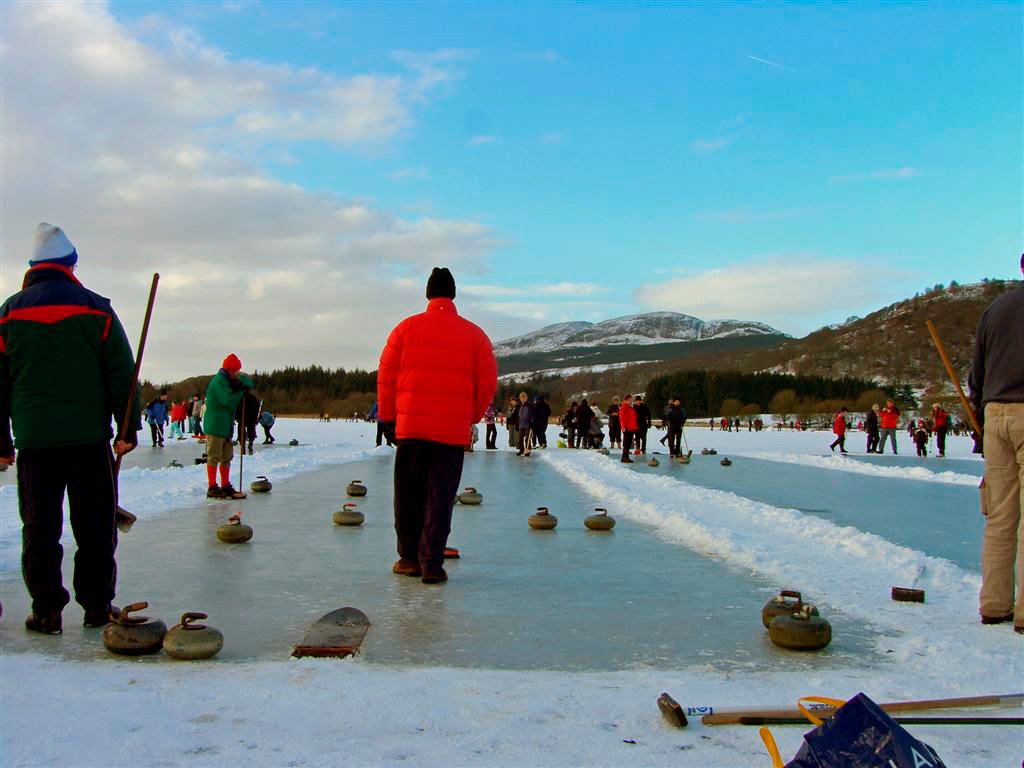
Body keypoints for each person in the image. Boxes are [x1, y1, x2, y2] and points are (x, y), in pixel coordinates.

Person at [0, 223, 140, 632]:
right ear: (71, 264)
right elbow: (121, 374)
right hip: (87, 439)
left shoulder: (9, 313)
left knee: (40, 528)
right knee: (95, 525)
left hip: (35, 442)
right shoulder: (96, 308)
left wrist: (3, 442)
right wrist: (127, 428)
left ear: (32, 267)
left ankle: (46, 610)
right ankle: (96, 606)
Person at [377, 267, 497, 584]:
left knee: (408, 496)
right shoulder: (475, 335)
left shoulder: (405, 329)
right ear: (453, 295)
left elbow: (386, 379)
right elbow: (486, 385)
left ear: (428, 294)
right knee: (439, 498)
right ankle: (432, 563)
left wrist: (389, 418)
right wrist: (468, 416)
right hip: (449, 434)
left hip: (411, 430)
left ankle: (408, 559)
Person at [968, 254, 1024, 631]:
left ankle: (994, 604)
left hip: (996, 415)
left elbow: (978, 373)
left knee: (1001, 516)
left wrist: (981, 413)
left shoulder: (995, 309)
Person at [203, 354, 253, 499]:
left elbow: (248, 383)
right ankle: (212, 486)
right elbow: (228, 401)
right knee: (214, 455)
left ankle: (225, 485)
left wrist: (242, 385)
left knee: (226, 456)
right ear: (231, 370)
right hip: (215, 424)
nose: (238, 373)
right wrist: (240, 392)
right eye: (237, 370)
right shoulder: (219, 382)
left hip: (225, 425)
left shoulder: (228, 381)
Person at [234, 389, 259, 455]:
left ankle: (246, 445)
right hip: (245, 418)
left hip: (246, 418)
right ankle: (245, 445)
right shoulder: (252, 398)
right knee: (246, 431)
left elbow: (236, 407)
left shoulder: (241, 398)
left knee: (244, 431)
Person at [619, 394, 638, 463]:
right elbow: (622, 418)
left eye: (631, 399)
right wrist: (624, 427)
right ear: (626, 400)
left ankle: (625, 457)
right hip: (627, 428)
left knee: (628, 443)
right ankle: (624, 457)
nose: (631, 400)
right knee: (626, 443)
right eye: (630, 399)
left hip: (631, 427)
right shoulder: (624, 407)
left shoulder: (629, 407)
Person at [515, 391, 533, 455]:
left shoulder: (530, 406)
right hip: (521, 424)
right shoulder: (519, 406)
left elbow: (532, 415)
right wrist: (517, 423)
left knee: (527, 439)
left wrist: (531, 422)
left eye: (524, 397)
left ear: (526, 398)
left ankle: (528, 450)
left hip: (528, 424)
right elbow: (518, 416)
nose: (523, 399)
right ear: (520, 398)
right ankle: (521, 450)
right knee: (520, 438)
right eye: (521, 397)